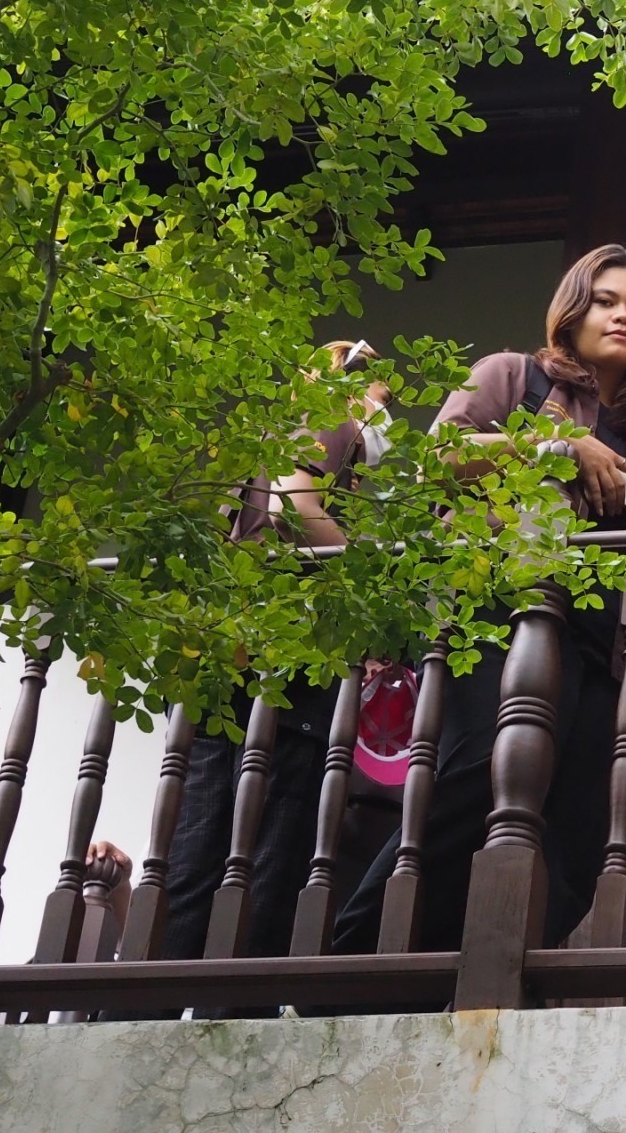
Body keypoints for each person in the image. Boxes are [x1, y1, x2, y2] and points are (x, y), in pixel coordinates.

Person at [333, 244, 626, 962]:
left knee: (580, 828)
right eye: (606, 301)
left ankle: (479, 968)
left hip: (598, 636)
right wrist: (560, 445)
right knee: (480, 772)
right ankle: (354, 955)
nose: (623, 316)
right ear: (572, 310)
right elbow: (439, 459)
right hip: (495, 607)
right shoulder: (515, 375)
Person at [159, 339, 395, 976]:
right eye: (382, 393)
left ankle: (157, 993)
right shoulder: (334, 417)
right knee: (271, 843)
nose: (386, 409)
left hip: (235, 652)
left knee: (205, 838)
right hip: (285, 659)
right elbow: (295, 510)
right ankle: (238, 994)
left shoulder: (278, 433)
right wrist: (378, 598)